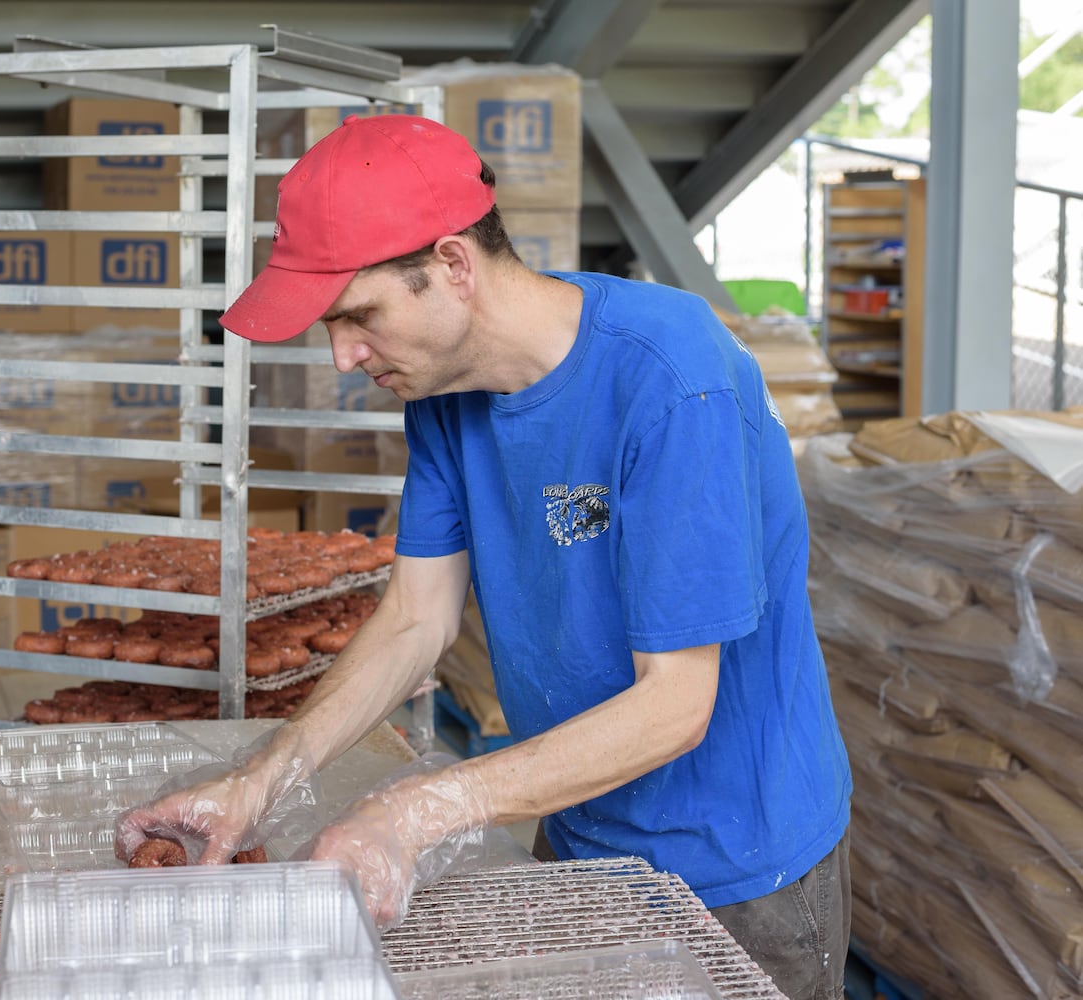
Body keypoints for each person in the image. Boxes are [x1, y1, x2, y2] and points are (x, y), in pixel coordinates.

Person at [116, 114, 852, 1000]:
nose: (344, 355)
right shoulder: (443, 392)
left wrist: (416, 808)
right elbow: (416, 620)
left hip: (736, 866)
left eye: (359, 316)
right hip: (578, 829)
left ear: (454, 266)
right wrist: (262, 776)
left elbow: (676, 708)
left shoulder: (670, 379)